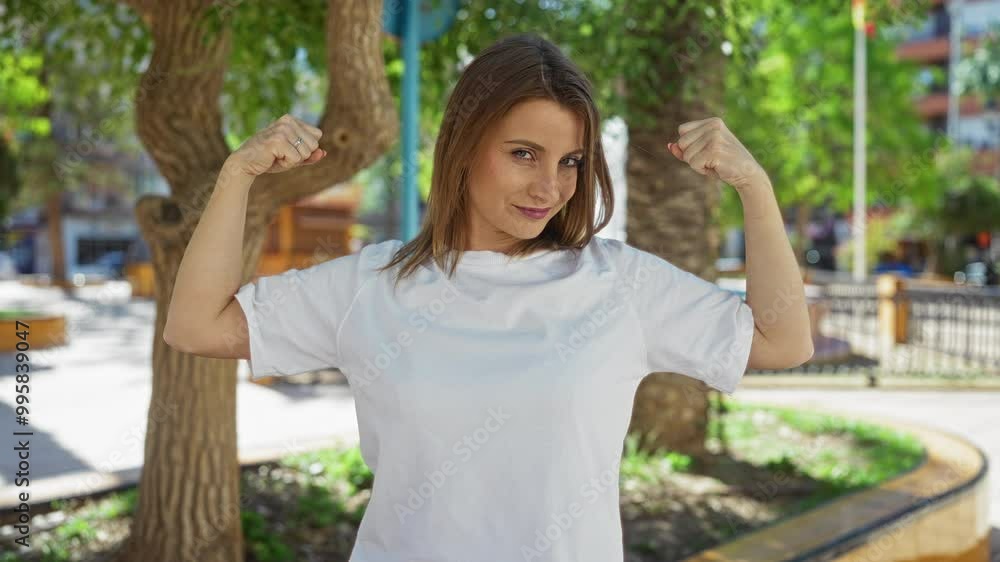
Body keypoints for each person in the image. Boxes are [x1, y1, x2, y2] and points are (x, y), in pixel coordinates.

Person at [164, 32, 813, 562]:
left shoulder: (623, 284)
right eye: (525, 153)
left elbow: (783, 340)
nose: (551, 186)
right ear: (465, 148)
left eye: (571, 162)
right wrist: (237, 175)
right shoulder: (371, 285)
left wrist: (754, 188)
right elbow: (195, 326)